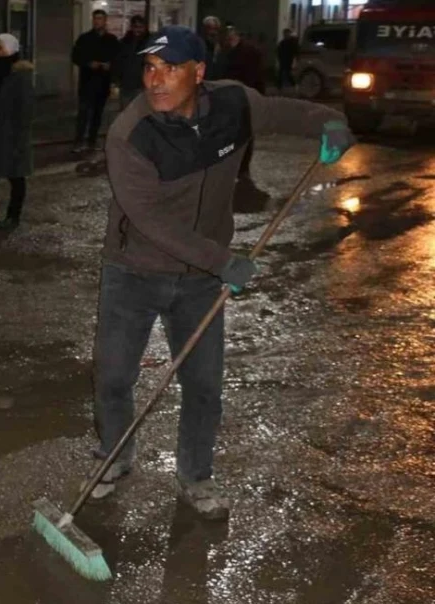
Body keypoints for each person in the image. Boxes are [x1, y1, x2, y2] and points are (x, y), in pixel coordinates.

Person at [89, 25, 354, 520]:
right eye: (150, 68)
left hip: (199, 282)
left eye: (170, 69)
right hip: (135, 270)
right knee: (114, 375)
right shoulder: (130, 134)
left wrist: (331, 120)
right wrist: (221, 260)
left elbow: (288, 111)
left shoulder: (234, 104)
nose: (156, 80)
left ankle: (196, 475)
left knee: (204, 384)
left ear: (200, 73)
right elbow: (151, 222)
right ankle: (114, 457)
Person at [0, 33, 34, 231]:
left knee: (16, 175)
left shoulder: (20, 75)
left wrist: (19, 138)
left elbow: (25, 110)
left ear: (12, 49)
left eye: (0, 48)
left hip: (12, 134)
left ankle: (13, 216)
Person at [71, 9, 120, 152]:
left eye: (100, 18)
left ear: (105, 21)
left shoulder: (111, 40)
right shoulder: (84, 38)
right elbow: (75, 56)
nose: (97, 21)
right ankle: (79, 141)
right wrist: (88, 63)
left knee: (97, 114)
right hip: (87, 81)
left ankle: (92, 141)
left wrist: (110, 67)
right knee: (84, 113)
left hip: (103, 82)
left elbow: (117, 58)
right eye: (95, 19)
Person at [223, 26, 266, 180]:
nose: (229, 38)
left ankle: (241, 167)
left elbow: (256, 77)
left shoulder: (248, 53)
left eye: (231, 35)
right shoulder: (226, 52)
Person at [114, 15, 149, 105]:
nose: (138, 30)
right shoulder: (124, 43)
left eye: (140, 27)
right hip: (126, 86)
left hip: (143, 86)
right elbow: (118, 62)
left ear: (145, 27)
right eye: (135, 27)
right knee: (126, 114)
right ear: (132, 27)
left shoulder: (150, 44)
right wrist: (116, 80)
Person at [201, 16, 226, 81]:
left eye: (215, 29)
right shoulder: (199, 45)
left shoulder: (222, 47)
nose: (213, 32)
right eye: (209, 28)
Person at [276, 28, 299, 93]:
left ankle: (293, 85)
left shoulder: (292, 42)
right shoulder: (283, 43)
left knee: (287, 73)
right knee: (282, 72)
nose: (286, 35)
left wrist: (296, 58)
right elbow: (279, 51)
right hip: (283, 60)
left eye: (287, 34)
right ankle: (279, 86)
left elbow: (295, 51)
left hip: (288, 59)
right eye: (285, 34)